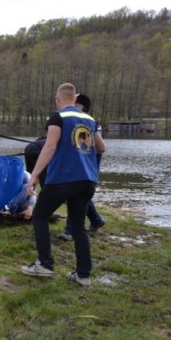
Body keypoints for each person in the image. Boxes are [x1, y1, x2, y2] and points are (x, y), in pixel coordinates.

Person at [20, 83, 106, 287]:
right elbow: (102, 147)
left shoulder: (57, 116)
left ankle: (45, 264)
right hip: (88, 180)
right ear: (74, 99)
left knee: (40, 214)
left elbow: (49, 147)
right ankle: (83, 275)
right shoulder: (89, 119)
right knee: (78, 227)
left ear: (58, 99)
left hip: (64, 178)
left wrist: (34, 175)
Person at [59, 93, 105, 240]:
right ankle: (96, 220)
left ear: (83, 106)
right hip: (80, 165)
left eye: (75, 103)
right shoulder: (73, 120)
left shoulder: (91, 123)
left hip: (89, 164)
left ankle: (69, 230)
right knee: (80, 196)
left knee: (76, 194)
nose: (71, 105)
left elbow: (101, 148)